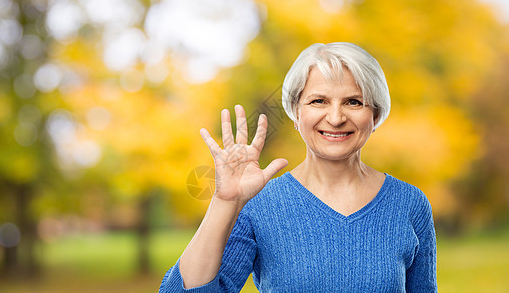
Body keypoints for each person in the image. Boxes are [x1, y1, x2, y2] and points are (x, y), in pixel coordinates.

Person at [159, 42, 437, 292]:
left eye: (353, 101)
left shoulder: (410, 204)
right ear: (295, 112)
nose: (336, 117)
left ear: (374, 114)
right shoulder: (260, 203)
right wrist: (224, 201)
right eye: (319, 101)